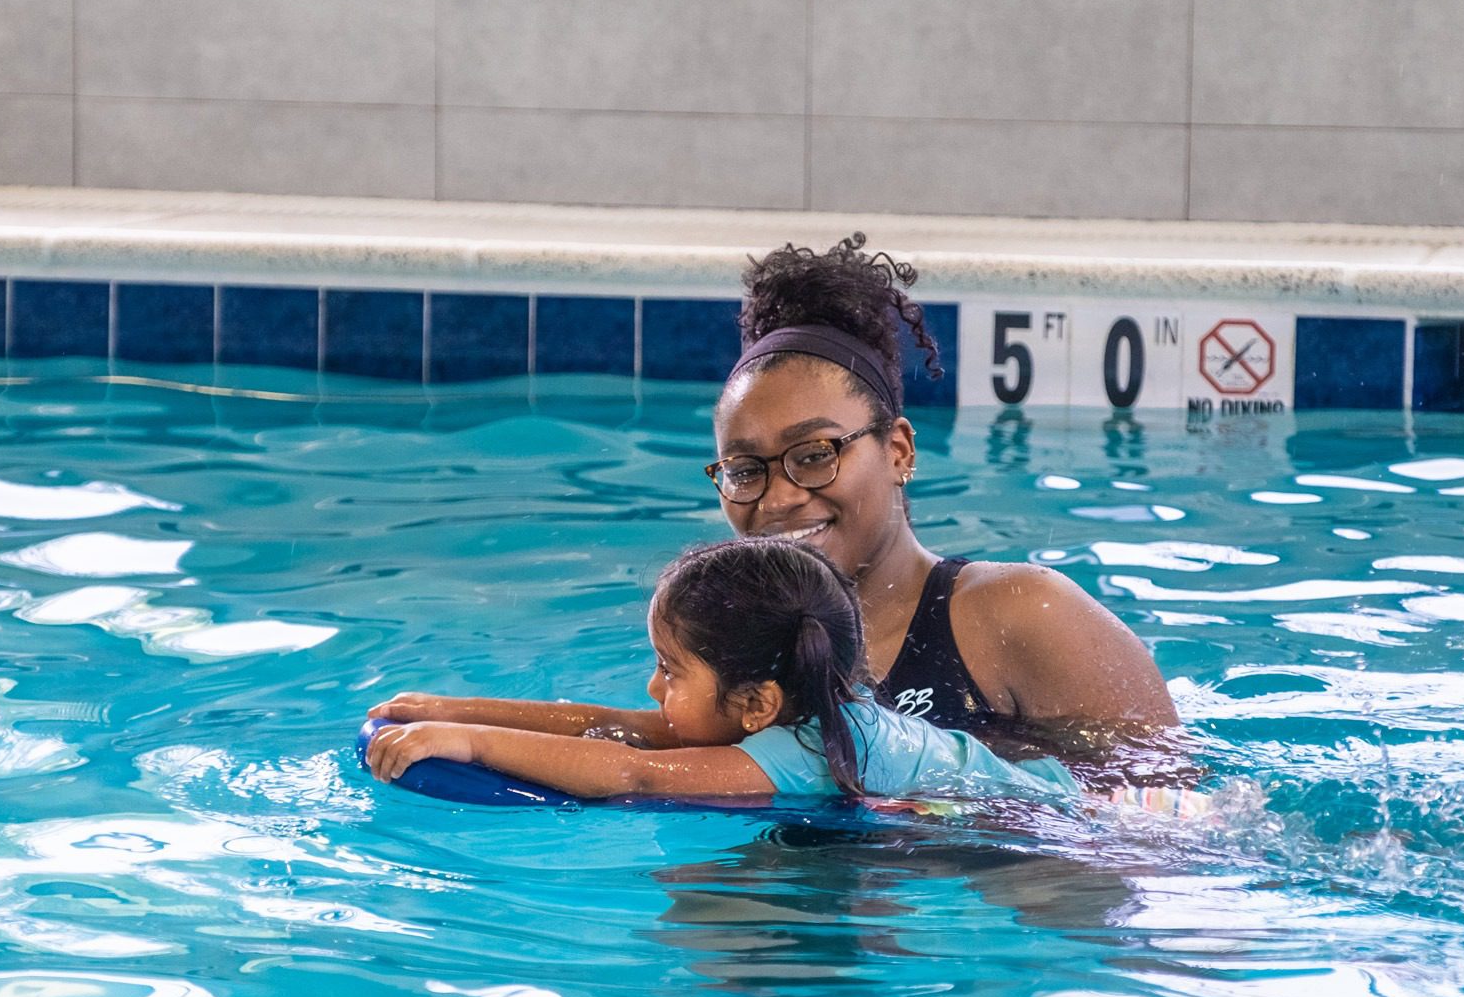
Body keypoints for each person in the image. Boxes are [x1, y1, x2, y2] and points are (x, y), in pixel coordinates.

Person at [373, 234, 1181, 774]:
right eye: (744, 469)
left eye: (814, 454)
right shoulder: (752, 632)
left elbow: (1177, 799)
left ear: (897, 450)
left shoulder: (1018, 613)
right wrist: (457, 715)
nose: (782, 497)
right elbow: (644, 734)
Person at [365, 537, 1079, 804]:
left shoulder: (795, 755)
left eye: (670, 671)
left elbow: (631, 770)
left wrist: (470, 746)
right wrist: (453, 710)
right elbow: (616, 730)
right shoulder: (807, 717)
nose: (654, 689)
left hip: (1054, 827)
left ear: (756, 703)